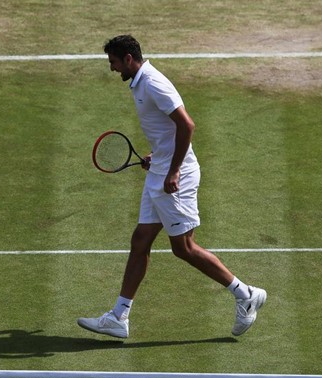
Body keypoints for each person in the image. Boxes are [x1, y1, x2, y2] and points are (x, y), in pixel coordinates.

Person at [77, 35, 266, 339]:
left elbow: (187, 125)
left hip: (175, 178)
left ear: (128, 59)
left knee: (184, 248)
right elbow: (168, 131)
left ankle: (245, 294)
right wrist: (158, 156)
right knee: (140, 240)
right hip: (161, 171)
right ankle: (119, 316)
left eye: (113, 62)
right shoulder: (140, 83)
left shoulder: (152, 83)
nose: (111, 69)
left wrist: (174, 169)